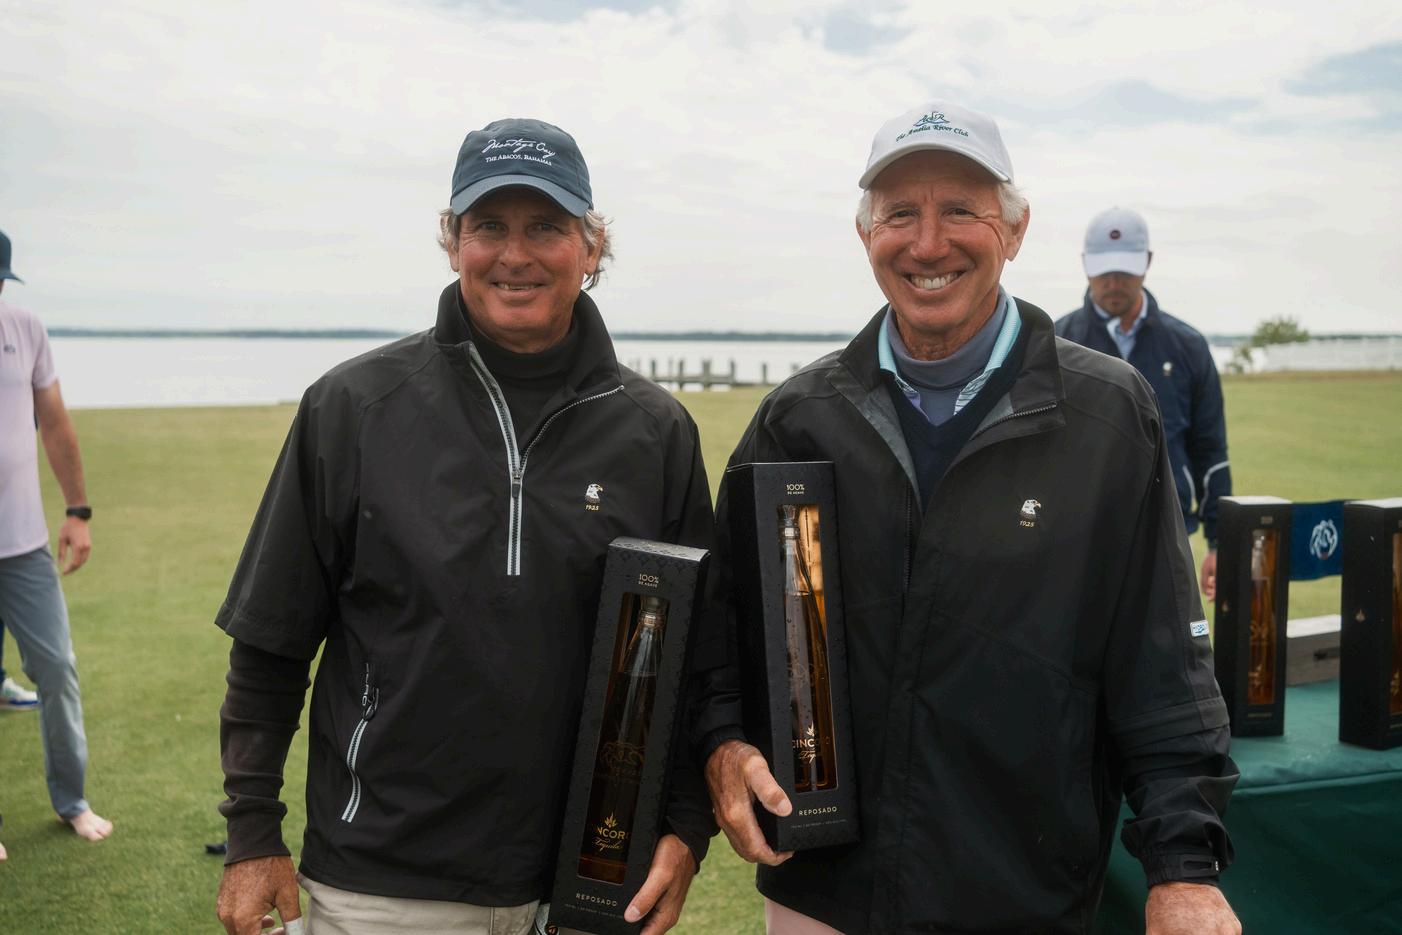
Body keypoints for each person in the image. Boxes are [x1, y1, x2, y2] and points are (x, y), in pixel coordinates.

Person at [694, 102, 1241, 934]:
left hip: (1021, 893)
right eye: (899, 214)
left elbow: (1162, 662)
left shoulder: (1108, 414)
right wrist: (725, 741)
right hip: (824, 894)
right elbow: (722, 629)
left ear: (1015, 230)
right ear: (865, 233)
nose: (927, 243)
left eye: (959, 209)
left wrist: (1184, 869)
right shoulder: (798, 417)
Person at [214, 119, 716, 935]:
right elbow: (270, 641)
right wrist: (251, 834)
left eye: (545, 226)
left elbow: (698, 661)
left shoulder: (656, 432)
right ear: (453, 243)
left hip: (592, 878)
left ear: (592, 246)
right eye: (488, 226)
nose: (515, 255)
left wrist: (686, 829)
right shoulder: (352, 407)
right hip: (385, 880)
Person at [1054, 208, 1231, 598]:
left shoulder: (1188, 346)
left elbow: (1210, 447)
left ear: (1147, 262)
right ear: (1085, 265)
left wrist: (1219, 542)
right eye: (1104, 271)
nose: (1114, 282)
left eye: (1125, 270)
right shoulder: (1054, 343)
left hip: (1169, 530)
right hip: (1079, 535)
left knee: (1170, 638)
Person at [0, 228, 111, 848]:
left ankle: (72, 801)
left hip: (23, 546)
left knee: (57, 669)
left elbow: (54, 421)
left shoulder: (26, 328)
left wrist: (78, 511)